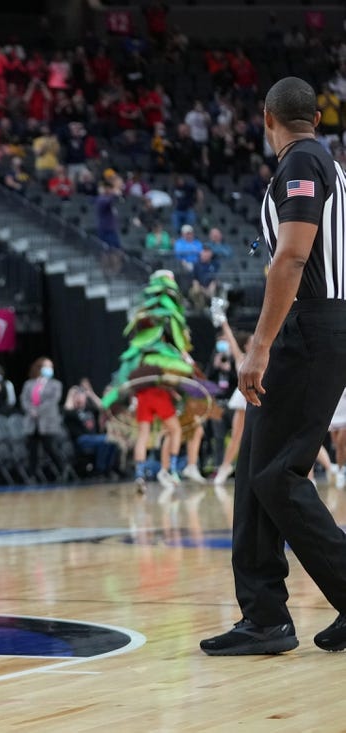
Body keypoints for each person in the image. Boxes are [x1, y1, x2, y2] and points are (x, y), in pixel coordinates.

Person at [201, 77, 346, 656]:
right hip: (319, 321)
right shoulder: (325, 161)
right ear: (316, 115)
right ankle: (264, 616)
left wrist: (257, 345)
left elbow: (292, 255)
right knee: (257, 468)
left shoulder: (302, 163)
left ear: (268, 118)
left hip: (311, 322)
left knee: (279, 473)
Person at [21, 356, 67, 479]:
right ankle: (32, 475)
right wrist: (31, 410)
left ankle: (63, 470)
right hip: (32, 422)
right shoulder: (29, 384)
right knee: (32, 450)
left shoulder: (56, 384)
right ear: (39, 368)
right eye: (47, 366)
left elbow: (53, 400)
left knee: (50, 447)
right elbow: (24, 399)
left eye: (51, 367)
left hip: (48, 421)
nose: (49, 369)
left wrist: (38, 411)